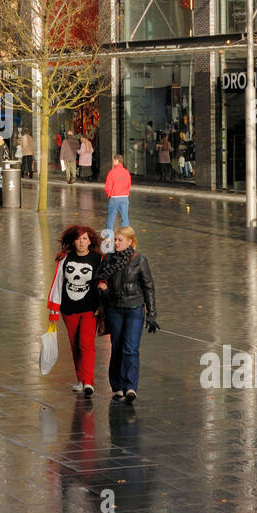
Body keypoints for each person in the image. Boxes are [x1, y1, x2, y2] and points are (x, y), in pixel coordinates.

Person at [100, 226, 158, 404]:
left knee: (130, 348)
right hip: (115, 309)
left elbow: (148, 286)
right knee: (117, 347)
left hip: (134, 309)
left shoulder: (139, 260)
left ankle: (130, 386)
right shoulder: (109, 259)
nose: (116, 243)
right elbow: (101, 282)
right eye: (115, 239)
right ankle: (117, 386)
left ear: (130, 241)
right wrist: (105, 291)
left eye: (120, 240)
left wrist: (152, 313)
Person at [46, 225, 105, 398]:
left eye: (85, 238)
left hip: (90, 309)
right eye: (79, 238)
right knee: (75, 345)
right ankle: (80, 379)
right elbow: (57, 283)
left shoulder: (98, 259)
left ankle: (88, 381)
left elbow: (104, 280)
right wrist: (53, 309)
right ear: (73, 240)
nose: (81, 242)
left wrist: (102, 302)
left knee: (86, 343)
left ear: (90, 241)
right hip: (68, 309)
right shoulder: (65, 259)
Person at [104, 154, 132, 232]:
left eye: (113, 160)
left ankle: (108, 234)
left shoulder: (112, 172)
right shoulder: (126, 172)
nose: (113, 162)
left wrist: (109, 194)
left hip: (114, 197)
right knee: (125, 217)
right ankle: (126, 235)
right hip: (124, 197)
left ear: (116, 161)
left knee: (111, 217)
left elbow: (108, 186)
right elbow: (128, 184)